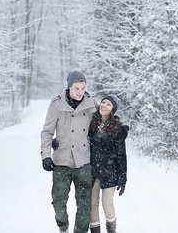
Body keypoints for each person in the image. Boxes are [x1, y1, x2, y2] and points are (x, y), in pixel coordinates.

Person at [40, 71, 99, 233]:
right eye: (76, 88)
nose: (80, 92)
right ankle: (63, 227)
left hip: (84, 162)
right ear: (69, 87)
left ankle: (80, 230)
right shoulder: (57, 104)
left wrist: (118, 129)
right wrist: (45, 155)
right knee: (58, 200)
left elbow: (104, 124)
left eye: (83, 88)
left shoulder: (91, 103)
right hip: (62, 161)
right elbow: (47, 132)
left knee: (84, 202)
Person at [88, 94, 129, 233]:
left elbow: (121, 154)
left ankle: (112, 230)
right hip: (92, 171)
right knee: (92, 205)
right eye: (103, 102)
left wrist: (122, 177)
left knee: (107, 204)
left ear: (113, 109)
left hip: (109, 172)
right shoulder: (91, 123)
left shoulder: (117, 129)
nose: (104, 105)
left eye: (108, 104)